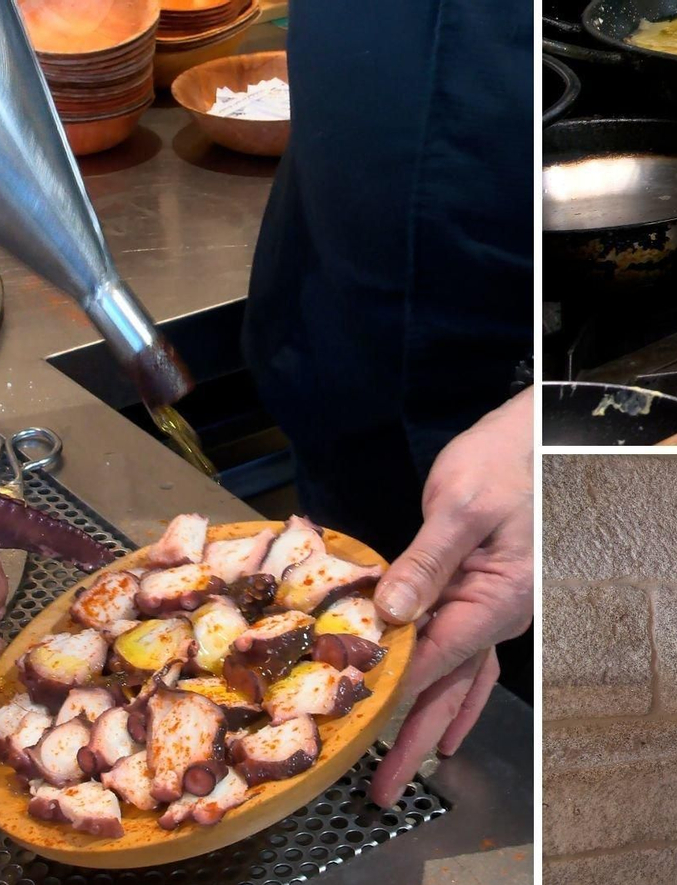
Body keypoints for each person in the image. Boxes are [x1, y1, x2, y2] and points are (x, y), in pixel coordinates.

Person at [239, 0, 533, 810]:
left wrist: (563, 419)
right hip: (341, 324)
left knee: (520, 765)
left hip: (562, 386)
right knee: (309, 703)